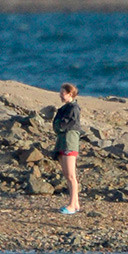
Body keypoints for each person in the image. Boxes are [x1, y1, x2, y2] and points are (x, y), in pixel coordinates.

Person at [52, 83, 83, 214]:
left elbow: (64, 125)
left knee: (71, 175)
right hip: (63, 142)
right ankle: (75, 203)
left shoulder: (73, 108)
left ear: (70, 94)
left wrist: (58, 125)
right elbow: (57, 126)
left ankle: (72, 204)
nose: (60, 95)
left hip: (70, 143)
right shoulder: (65, 108)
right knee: (67, 174)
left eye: (63, 92)